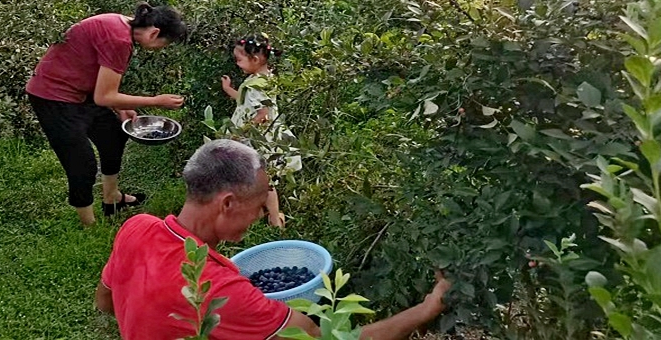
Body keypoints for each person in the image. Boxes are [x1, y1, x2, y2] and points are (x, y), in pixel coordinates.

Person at [96, 139, 450, 340]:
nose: (259, 216)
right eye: (259, 205)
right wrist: (426, 309)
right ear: (227, 204)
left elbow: (106, 302)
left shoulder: (137, 228)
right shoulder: (224, 292)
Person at [26, 3, 187, 227]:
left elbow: (96, 75)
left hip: (82, 93)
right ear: (154, 33)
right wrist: (156, 101)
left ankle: (112, 198)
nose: (161, 49)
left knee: (113, 136)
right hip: (53, 96)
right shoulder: (119, 40)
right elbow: (104, 97)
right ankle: (89, 226)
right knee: (82, 164)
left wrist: (119, 106)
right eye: (164, 43)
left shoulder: (121, 24)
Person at [220, 34, 300, 228]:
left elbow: (263, 115)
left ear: (255, 59)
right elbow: (245, 102)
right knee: (258, 178)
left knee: (264, 180)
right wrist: (229, 89)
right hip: (258, 136)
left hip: (258, 139)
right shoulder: (263, 78)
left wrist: (241, 133)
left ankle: (275, 218)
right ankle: (260, 211)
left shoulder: (257, 85)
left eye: (239, 60)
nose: (237, 64)